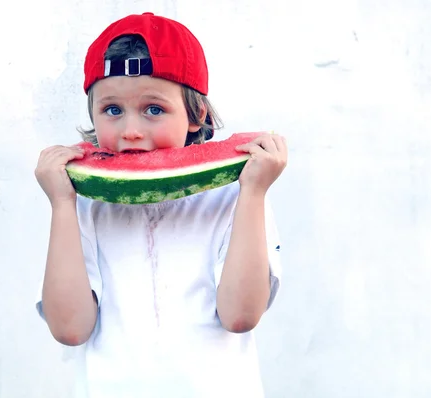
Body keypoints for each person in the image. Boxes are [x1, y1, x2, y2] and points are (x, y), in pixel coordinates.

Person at [34, 12, 287, 398]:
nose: (131, 130)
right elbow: (70, 329)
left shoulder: (234, 195)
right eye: (112, 110)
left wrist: (253, 193)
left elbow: (240, 316)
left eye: (154, 109)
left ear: (196, 115)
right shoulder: (85, 203)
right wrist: (63, 204)